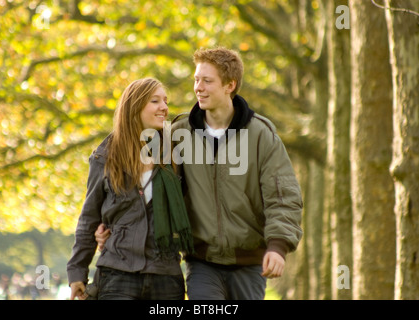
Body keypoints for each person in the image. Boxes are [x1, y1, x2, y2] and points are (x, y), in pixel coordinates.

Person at [97, 47, 303, 300]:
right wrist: (111, 226)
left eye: (207, 81)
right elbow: (141, 179)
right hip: (202, 262)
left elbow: (283, 196)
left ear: (230, 85)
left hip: (250, 262)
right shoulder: (176, 133)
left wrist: (278, 246)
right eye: (196, 79)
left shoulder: (261, 135)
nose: (198, 88)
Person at [67, 78, 193, 300]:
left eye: (165, 101)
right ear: (134, 107)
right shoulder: (104, 157)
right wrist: (77, 272)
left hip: (166, 277)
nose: (164, 107)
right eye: (155, 101)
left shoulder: (176, 153)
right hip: (117, 276)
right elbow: (88, 218)